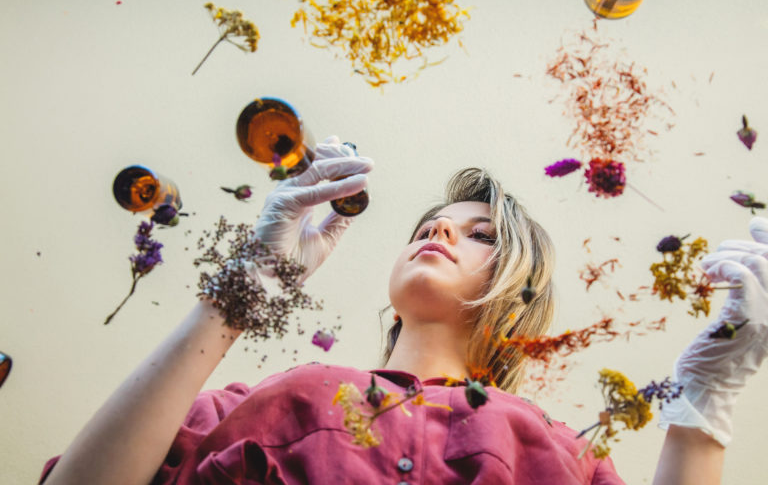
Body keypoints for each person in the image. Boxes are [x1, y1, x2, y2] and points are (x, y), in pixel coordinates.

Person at [38, 138, 768, 484]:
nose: (440, 231)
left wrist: (704, 409)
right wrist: (246, 287)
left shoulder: (562, 454)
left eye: (482, 235)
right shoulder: (267, 401)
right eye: (431, 224)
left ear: (518, 298)